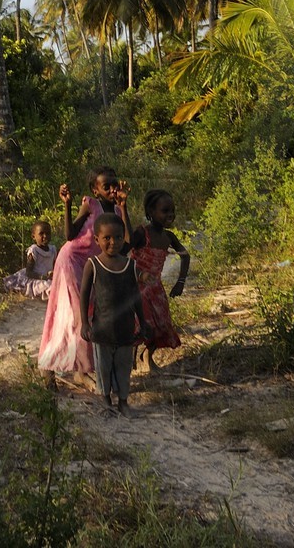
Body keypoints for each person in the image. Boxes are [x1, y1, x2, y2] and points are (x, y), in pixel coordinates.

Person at [37, 167, 131, 385]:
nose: (112, 189)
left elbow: (126, 245)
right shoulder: (91, 205)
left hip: (92, 267)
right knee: (75, 316)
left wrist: (124, 207)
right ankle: (50, 365)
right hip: (71, 261)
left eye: (114, 185)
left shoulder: (117, 212)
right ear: (95, 190)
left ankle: (80, 369)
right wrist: (67, 205)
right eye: (106, 186)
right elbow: (70, 235)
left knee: (90, 315)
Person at [78, 213, 143, 415]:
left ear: (123, 237)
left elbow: (136, 297)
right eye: (107, 238)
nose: (113, 242)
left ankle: (123, 401)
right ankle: (106, 400)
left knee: (124, 368)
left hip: (125, 329)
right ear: (97, 239)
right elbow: (84, 294)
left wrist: (143, 321)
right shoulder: (93, 264)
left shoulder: (130, 265)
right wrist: (84, 323)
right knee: (103, 369)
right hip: (102, 330)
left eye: (117, 237)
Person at [129, 189, 189, 365]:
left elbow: (185, 256)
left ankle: (147, 356)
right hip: (137, 288)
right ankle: (131, 362)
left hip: (156, 289)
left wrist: (181, 282)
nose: (170, 215)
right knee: (139, 326)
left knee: (161, 324)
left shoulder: (169, 237)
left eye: (172, 211)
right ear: (150, 212)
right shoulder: (142, 234)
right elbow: (122, 256)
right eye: (165, 211)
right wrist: (138, 274)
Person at [2, 221, 58, 299]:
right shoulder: (34, 250)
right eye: (41, 234)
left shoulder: (52, 249)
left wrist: (53, 274)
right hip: (36, 278)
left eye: (48, 233)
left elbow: (55, 266)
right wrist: (43, 277)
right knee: (48, 286)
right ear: (33, 236)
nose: (45, 236)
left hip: (47, 278)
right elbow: (29, 272)